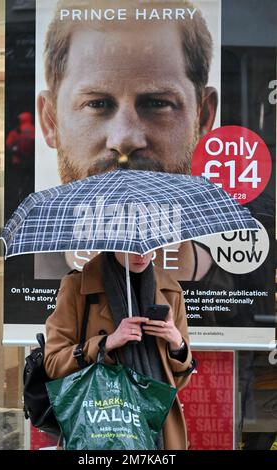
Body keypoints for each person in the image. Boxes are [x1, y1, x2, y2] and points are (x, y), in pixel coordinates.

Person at [36, 0, 218, 282]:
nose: (124, 139)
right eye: (96, 103)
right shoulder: (32, 280)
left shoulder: (243, 284)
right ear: (50, 121)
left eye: (157, 102)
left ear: (203, 115)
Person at [45, 251, 195, 450]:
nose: (141, 255)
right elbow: (54, 364)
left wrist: (177, 344)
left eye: (147, 247)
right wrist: (107, 342)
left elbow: (175, 384)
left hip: (157, 429)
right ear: (114, 243)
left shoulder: (170, 291)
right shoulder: (77, 288)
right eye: (131, 249)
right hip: (100, 423)